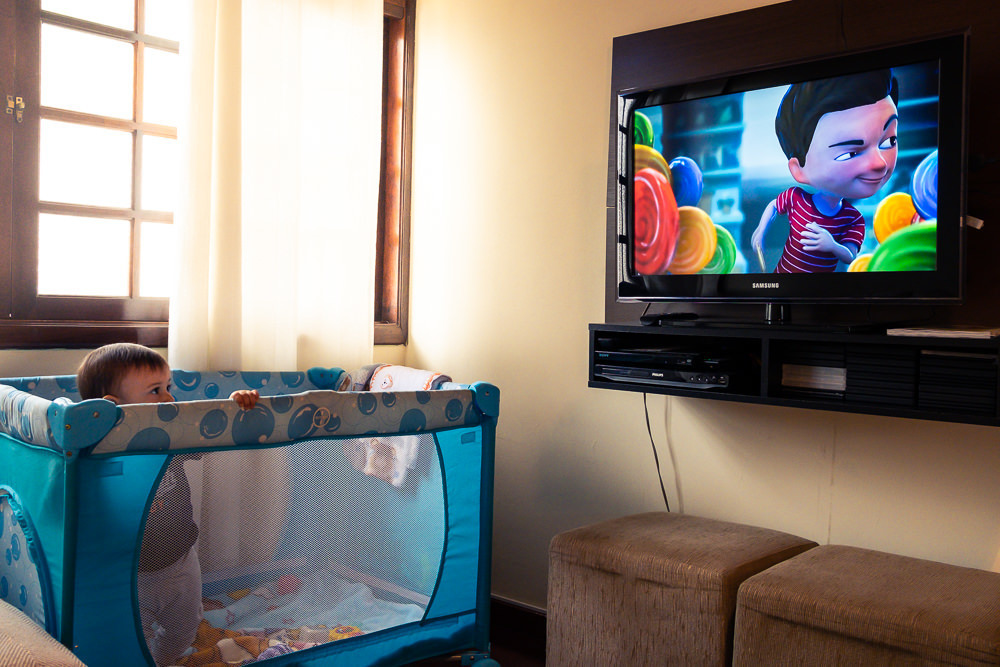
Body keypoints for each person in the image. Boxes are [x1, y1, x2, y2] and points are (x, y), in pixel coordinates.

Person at [76, 343, 258, 666]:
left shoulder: (171, 437)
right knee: (133, 637)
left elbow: (211, 434)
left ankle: (165, 661)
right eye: (155, 390)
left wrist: (233, 410)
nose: (169, 398)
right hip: (132, 574)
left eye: (168, 387)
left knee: (183, 630)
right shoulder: (99, 456)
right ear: (112, 408)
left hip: (181, 562)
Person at [751, 69, 899, 273]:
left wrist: (831, 245)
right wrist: (760, 231)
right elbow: (774, 206)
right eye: (850, 153)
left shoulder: (852, 219)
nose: (879, 163)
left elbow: (849, 255)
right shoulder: (796, 198)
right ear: (799, 169)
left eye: (889, 140)